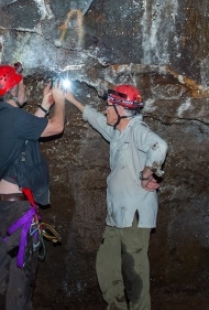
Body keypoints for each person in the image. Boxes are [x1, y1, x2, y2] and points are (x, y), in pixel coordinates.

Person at [64, 84, 168, 310]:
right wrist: (72, 100)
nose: (105, 111)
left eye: (108, 107)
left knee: (134, 271)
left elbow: (159, 146)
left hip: (135, 214)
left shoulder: (137, 131)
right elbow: (96, 119)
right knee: (107, 264)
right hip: (116, 214)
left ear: (121, 109)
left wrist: (146, 174)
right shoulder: (117, 132)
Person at [0, 62, 66, 310]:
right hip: (17, 210)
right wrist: (61, 102)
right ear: (12, 89)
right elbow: (56, 127)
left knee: (4, 267)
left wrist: (44, 105)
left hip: (2, 206)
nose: (25, 86)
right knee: (22, 272)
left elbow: (27, 133)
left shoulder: (0, 115)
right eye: (22, 83)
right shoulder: (11, 117)